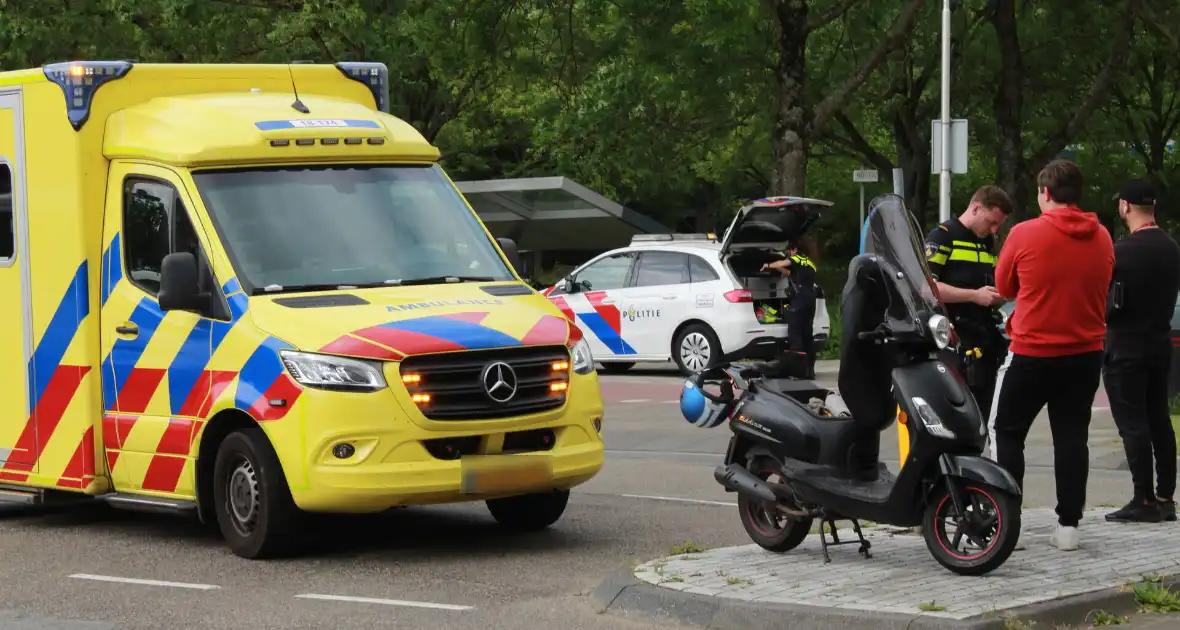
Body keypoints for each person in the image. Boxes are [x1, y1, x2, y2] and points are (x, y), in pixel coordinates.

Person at [990, 159, 1114, 552]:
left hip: (1032, 350)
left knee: (1005, 432)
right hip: (1085, 353)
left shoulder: (1025, 233)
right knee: (1072, 438)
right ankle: (1069, 527)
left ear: (1045, 193)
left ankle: (1006, 521)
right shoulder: (1104, 237)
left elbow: (1004, 286)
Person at [1103, 180, 1180, 524]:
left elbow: (1107, 302)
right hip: (1160, 343)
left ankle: (1142, 499)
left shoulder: (1121, 251)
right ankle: (1165, 497)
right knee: (1160, 420)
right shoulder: (1171, 247)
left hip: (1125, 346)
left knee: (1133, 424)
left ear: (1125, 207)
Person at [923, 185, 1013, 420]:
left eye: (998, 225)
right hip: (955, 340)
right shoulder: (942, 236)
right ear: (975, 208)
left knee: (985, 412)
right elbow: (926, 288)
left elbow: (989, 282)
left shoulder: (986, 242)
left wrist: (1000, 294)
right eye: (991, 222)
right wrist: (974, 295)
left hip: (984, 337)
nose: (993, 229)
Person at [760, 237, 820, 379]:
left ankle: (798, 370)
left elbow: (785, 262)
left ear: (794, 250)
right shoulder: (810, 263)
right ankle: (809, 371)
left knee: (795, 333)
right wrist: (779, 268)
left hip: (800, 300)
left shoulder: (798, 258)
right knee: (807, 335)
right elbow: (789, 272)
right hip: (810, 300)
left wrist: (768, 265)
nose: (789, 254)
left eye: (790, 251)